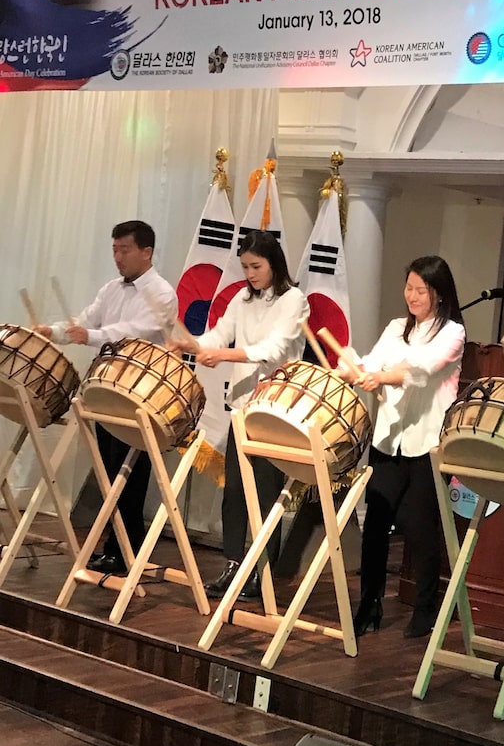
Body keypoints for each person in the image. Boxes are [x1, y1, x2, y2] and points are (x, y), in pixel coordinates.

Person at [171, 230, 307, 601]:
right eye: (245, 266)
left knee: (264, 495)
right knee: (234, 492)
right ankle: (233, 564)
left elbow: (274, 348)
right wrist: (194, 344)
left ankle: (260, 572)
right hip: (243, 407)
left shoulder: (294, 300)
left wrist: (226, 356)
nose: (249, 273)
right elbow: (220, 335)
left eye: (256, 266)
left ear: (273, 263)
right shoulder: (242, 298)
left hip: (276, 409)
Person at [37, 220, 176, 575]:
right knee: (108, 472)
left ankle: (128, 550)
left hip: (140, 395)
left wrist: (92, 335)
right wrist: (52, 332)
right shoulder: (111, 289)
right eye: (114, 250)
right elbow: (84, 322)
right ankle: (115, 547)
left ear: (146, 252)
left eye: (124, 250)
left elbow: (135, 332)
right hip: (106, 390)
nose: (118, 257)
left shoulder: (162, 293)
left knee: (129, 474)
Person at [345, 255, 465, 639]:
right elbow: (370, 363)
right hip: (388, 438)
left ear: (439, 293)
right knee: (375, 525)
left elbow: (420, 369)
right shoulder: (397, 327)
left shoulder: (452, 334)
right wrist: (351, 369)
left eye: (420, 289)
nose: (412, 296)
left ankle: (425, 609)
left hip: (427, 444)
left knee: (419, 529)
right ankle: (369, 605)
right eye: (408, 288)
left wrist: (380, 376)